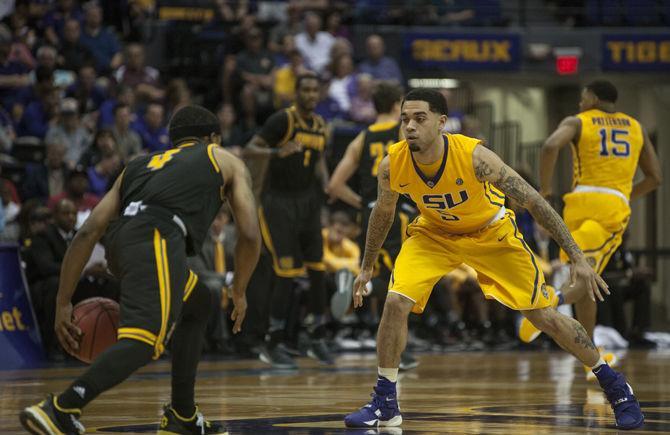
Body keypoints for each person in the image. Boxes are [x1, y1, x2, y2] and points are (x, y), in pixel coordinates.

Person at [343, 89, 644, 430]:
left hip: (491, 233)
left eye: (419, 119)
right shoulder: (391, 164)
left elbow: (533, 201)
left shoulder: (475, 157)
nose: (410, 126)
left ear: (441, 122)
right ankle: (385, 402)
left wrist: (576, 256)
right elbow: (382, 214)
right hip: (434, 234)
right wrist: (366, 266)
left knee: (543, 316)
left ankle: (615, 385)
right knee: (396, 301)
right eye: (405, 119)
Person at [20, 105, 261, 435]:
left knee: (199, 300)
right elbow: (249, 233)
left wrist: (64, 301)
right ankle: (61, 408)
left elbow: (89, 230)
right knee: (144, 341)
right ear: (213, 138)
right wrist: (240, 290)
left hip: (122, 242)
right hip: (158, 237)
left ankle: (183, 415)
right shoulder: (223, 157)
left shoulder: (137, 164)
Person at [517, 80, 662, 377]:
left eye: (582, 98)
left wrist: (544, 190)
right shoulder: (635, 127)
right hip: (610, 208)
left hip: (578, 202)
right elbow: (655, 177)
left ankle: (590, 354)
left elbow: (550, 146)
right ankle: (548, 305)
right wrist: (623, 196)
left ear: (593, 98)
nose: (580, 103)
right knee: (587, 277)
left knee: (586, 278)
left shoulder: (578, 121)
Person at [328, 81, 418, 370]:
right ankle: (361, 292)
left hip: (369, 215)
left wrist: (366, 204)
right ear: (396, 106)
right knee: (398, 283)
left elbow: (335, 185)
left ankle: (396, 352)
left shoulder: (362, 138)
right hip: (395, 215)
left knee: (390, 281)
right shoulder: (403, 131)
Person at [244, 72, 331, 368]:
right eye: (305, 90)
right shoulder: (283, 120)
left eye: (314, 90)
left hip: (308, 203)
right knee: (286, 273)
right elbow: (250, 148)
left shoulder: (320, 126)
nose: (310, 95)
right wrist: (275, 152)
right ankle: (272, 340)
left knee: (319, 270)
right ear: (296, 93)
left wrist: (329, 185)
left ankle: (316, 335)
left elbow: (319, 160)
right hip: (277, 203)